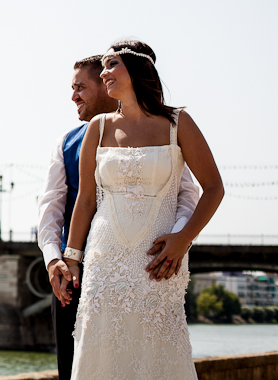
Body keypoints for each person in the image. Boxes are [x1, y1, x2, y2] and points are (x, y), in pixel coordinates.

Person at [64, 40, 225, 380]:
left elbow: (213, 188)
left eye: (111, 65)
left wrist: (183, 240)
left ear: (136, 71)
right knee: (102, 349)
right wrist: (72, 257)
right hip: (104, 260)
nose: (104, 73)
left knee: (158, 350)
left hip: (158, 260)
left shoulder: (178, 123)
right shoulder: (99, 127)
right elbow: (87, 200)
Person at [37, 55, 200, 380]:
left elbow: (187, 195)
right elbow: (52, 207)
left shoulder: (160, 132)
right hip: (77, 275)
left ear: (105, 87)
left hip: (145, 265)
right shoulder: (67, 142)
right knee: (79, 367)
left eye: (81, 87)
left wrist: (179, 240)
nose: (74, 96)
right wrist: (54, 258)